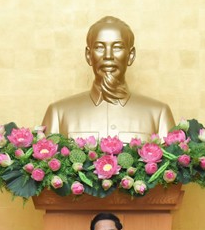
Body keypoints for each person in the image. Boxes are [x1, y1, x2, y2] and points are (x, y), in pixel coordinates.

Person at [41, 16, 175, 142]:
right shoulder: (58, 114)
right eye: (99, 47)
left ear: (131, 55)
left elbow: (173, 164)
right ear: (88, 55)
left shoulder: (158, 114)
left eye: (117, 47)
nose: (108, 56)